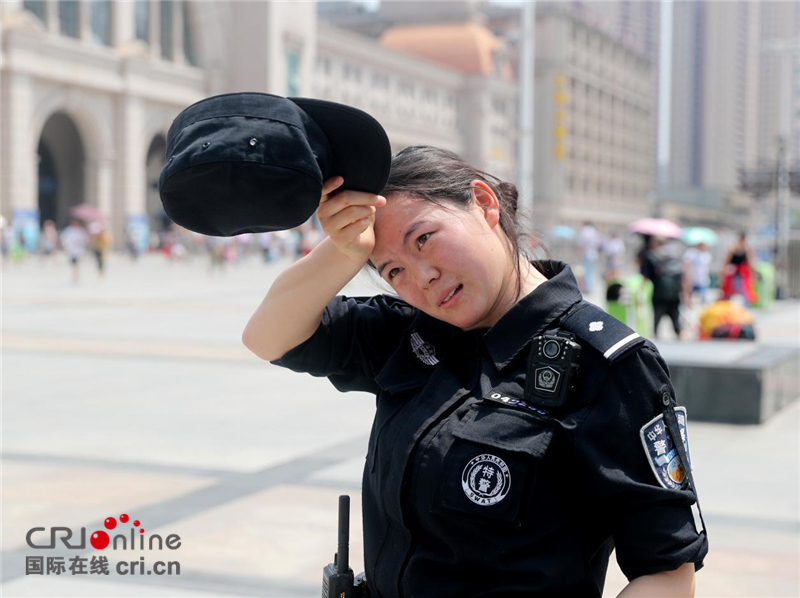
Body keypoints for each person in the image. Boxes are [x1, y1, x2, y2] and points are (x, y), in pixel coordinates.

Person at [243, 146, 707, 597]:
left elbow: (668, 572)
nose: (421, 277)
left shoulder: (605, 364)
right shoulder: (409, 333)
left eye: (423, 239)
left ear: (484, 203)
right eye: (393, 270)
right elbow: (267, 336)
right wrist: (343, 252)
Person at [640, 236, 686, 340]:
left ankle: (655, 336)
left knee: (657, 315)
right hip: (674, 293)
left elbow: (646, 276)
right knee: (675, 316)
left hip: (659, 292)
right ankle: (679, 333)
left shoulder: (652, 256)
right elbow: (682, 274)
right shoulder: (675, 256)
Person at [721, 232, 757, 306]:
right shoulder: (732, 249)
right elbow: (727, 261)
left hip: (743, 275)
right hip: (732, 275)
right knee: (729, 292)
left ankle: (747, 308)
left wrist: (754, 273)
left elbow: (750, 263)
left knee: (745, 292)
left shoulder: (747, 250)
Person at [683, 242, 712, 308]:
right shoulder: (691, 253)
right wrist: (687, 278)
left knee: (703, 299)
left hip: (703, 279)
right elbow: (686, 266)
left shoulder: (706, 255)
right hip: (692, 279)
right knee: (690, 297)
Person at [59, 218, 89, 283]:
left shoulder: (81, 230)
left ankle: (76, 275)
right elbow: (63, 238)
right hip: (71, 250)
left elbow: (85, 240)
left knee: (76, 263)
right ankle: (75, 275)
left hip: (79, 250)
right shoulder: (68, 230)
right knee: (73, 263)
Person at [577, 220, 601, 295]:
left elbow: (582, 244)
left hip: (587, 253)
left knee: (586, 271)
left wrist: (581, 253)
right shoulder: (595, 231)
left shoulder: (584, 231)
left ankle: (586, 288)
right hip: (594, 254)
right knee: (591, 271)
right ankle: (591, 287)